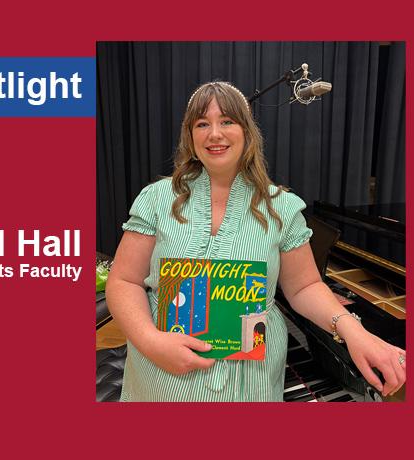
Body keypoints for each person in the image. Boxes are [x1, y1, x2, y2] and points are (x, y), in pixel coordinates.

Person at [105, 81, 406, 402]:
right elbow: (124, 280)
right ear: (189, 137)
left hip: (249, 384)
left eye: (227, 121)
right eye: (202, 124)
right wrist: (150, 342)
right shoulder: (156, 199)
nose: (214, 133)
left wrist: (354, 331)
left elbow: (304, 287)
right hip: (161, 376)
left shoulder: (283, 207)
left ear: (247, 132)